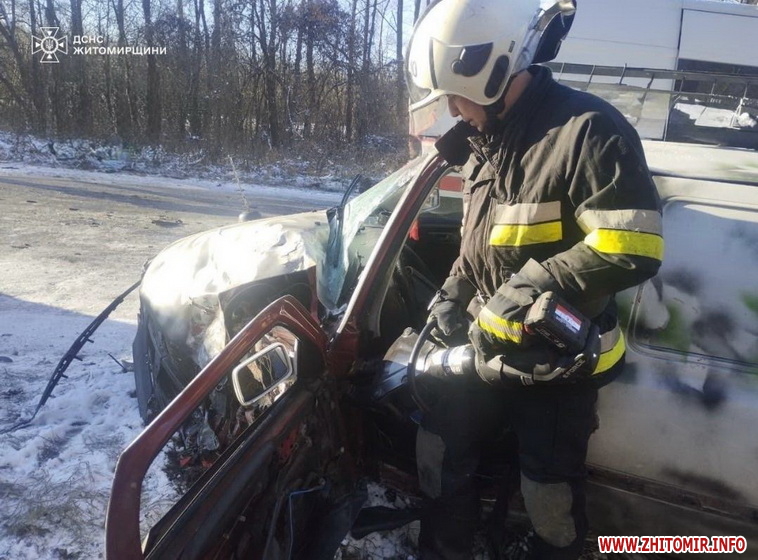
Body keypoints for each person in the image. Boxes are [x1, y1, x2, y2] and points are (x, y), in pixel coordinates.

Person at [404, 0, 664, 558]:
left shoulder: (587, 131)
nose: (451, 110)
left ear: (494, 74)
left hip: (556, 363)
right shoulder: (486, 144)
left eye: (456, 95)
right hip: (486, 345)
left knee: (549, 497)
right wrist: (453, 293)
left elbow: (633, 247)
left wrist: (530, 290)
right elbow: (481, 244)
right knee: (439, 450)